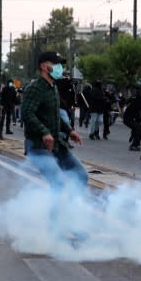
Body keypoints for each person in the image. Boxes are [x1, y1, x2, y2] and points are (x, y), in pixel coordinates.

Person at [21, 52, 87, 186]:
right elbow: (27, 114)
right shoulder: (35, 88)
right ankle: (55, 206)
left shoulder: (53, 87)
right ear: (44, 66)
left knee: (81, 175)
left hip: (57, 143)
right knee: (59, 183)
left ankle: (73, 205)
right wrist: (44, 132)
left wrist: (69, 131)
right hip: (38, 146)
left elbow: (54, 115)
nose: (59, 68)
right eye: (56, 64)